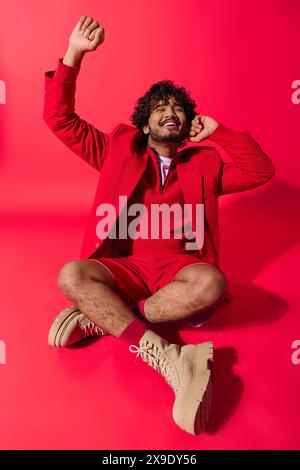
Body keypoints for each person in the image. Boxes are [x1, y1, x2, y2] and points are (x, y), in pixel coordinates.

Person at [43, 16, 275, 436]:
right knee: (71, 274)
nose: (171, 112)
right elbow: (60, 120)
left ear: (188, 125)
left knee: (212, 285)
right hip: (124, 268)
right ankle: (167, 354)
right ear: (144, 121)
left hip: (178, 271)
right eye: (160, 107)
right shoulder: (115, 150)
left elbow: (260, 171)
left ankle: (105, 319)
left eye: (178, 108)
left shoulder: (205, 164)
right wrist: (74, 54)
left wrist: (220, 133)